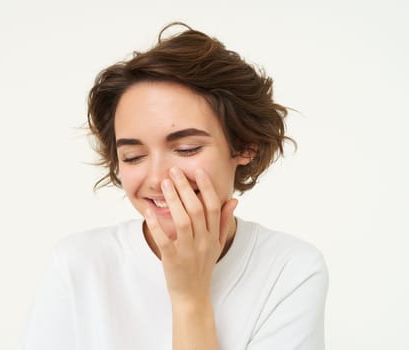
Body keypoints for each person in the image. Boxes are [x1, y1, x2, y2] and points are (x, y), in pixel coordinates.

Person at [23, 22, 328, 350]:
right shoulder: (78, 264)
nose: (156, 179)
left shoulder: (290, 269)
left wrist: (190, 299)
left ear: (243, 146)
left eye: (186, 149)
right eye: (133, 155)